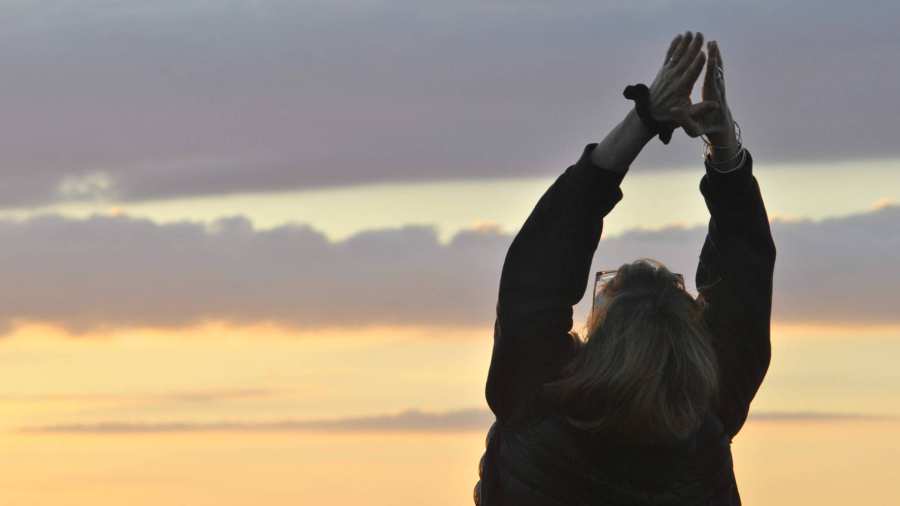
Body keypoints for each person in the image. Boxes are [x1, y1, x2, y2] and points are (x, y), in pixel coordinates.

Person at [473, 31, 776, 505]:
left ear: (604, 331)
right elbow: (746, 286)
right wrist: (724, 153)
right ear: (692, 345)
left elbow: (537, 273)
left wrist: (644, 120)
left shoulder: (537, 401)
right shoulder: (705, 414)